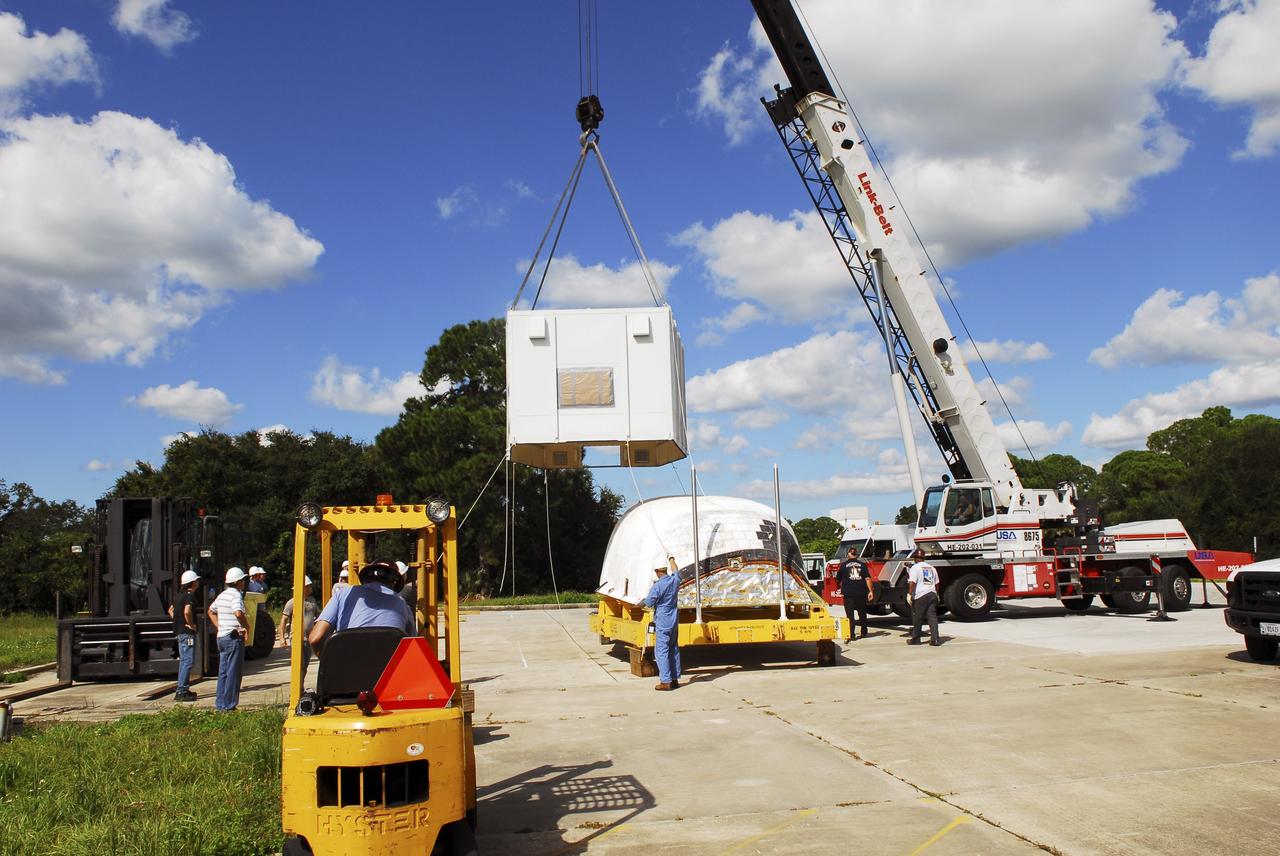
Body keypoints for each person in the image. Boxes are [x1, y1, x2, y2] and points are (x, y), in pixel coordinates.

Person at [308, 559, 415, 655]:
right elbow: (412, 649)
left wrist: (330, 664)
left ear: (366, 577)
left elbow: (316, 638)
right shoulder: (403, 605)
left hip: (347, 671)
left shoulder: (343, 594)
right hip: (390, 674)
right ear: (395, 583)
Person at [208, 567, 250, 711]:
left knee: (223, 672)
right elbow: (238, 612)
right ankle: (230, 705)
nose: (244, 583)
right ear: (238, 582)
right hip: (233, 637)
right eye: (243, 580)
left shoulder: (222, 595)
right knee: (234, 672)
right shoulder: (236, 595)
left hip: (222, 637)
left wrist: (219, 626)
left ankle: (221, 704)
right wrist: (247, 627)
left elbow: (211, 611)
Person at [643, 556, 681, 691]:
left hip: (663, 621)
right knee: (673, 649)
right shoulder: (674, 581)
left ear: (657, 572)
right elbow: (676, 571)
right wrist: (671, 559)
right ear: (665, 569)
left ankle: (666, 681)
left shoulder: (657, 586)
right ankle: (675, 679)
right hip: (674, 619)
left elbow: (648, 603)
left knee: (661, 651)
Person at [280, 576, 320, 682]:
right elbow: (283, 620)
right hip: (297, 638)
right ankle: (296, 690)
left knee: (305, 665)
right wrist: (282, 638)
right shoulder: (292, 602)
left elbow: (319, 617)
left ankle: (301, 686)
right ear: (304, 587)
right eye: (309, 586)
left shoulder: (312, 601)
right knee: (298, 665)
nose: (311, 588)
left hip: (309, 639)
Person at [169, 569, 201, 702]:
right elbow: (187, 611)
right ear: (192, 583)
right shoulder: (190, 595)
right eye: (196, 581)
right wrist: (191, 624)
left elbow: (170, 610)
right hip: (187, 634)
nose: (198, 582)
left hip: (179, 632)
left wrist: (178, 621)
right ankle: (181, 691)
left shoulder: (178, 596)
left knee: (183, 661)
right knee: (188, 661)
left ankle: (183, 688)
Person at [835, 549, 874, 640]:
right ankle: (864, 632)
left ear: (849, 554)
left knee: (850, 615)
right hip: (861, 592)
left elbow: (838, 579)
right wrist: (870, 591)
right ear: (856, 555)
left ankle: (851, 634)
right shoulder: (863, 565)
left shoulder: (843, 565)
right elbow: (868, 579)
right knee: (862, 613)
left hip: (848, 594)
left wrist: (839, 586)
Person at [906, 552, 941, 647]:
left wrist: (909, 594)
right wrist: (936, 593)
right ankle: (935, 639)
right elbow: (937, 583)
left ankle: (916, 639)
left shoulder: (915, 568)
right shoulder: (931, 568)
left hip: (921, 595)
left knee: (918, 618)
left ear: (916, 558)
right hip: (932, 594)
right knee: (932, 617)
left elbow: (912, 582)